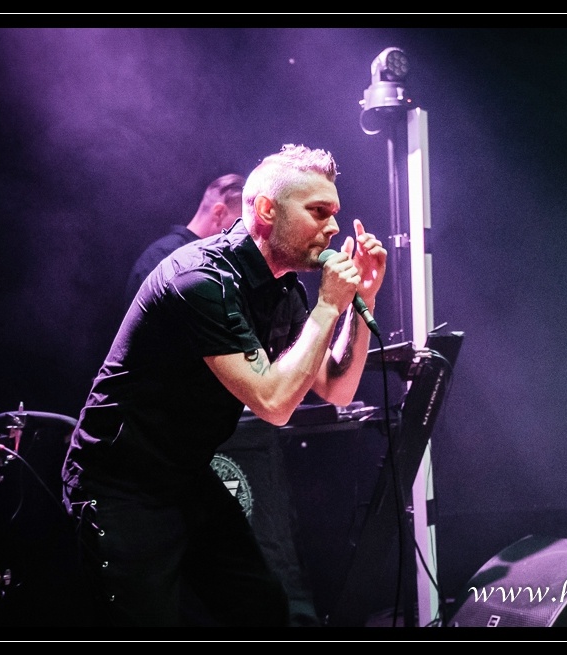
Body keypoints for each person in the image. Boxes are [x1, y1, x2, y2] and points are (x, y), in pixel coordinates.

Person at [60, 143, 387, 627]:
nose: (334, 227)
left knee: (261, 608)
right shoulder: (200, 279)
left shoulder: (283, 290)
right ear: (266, 209)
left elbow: (337, 389)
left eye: (335, 213)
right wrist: (327, 307)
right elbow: (274, 403)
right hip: (120, 484)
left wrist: (364, 303)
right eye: (319, 211)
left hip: (185, 474)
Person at [124, 173, 245, 307]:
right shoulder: (162, 256)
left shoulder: (166, 254)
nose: (242, 234)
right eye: (240, 224)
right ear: (219, 213)